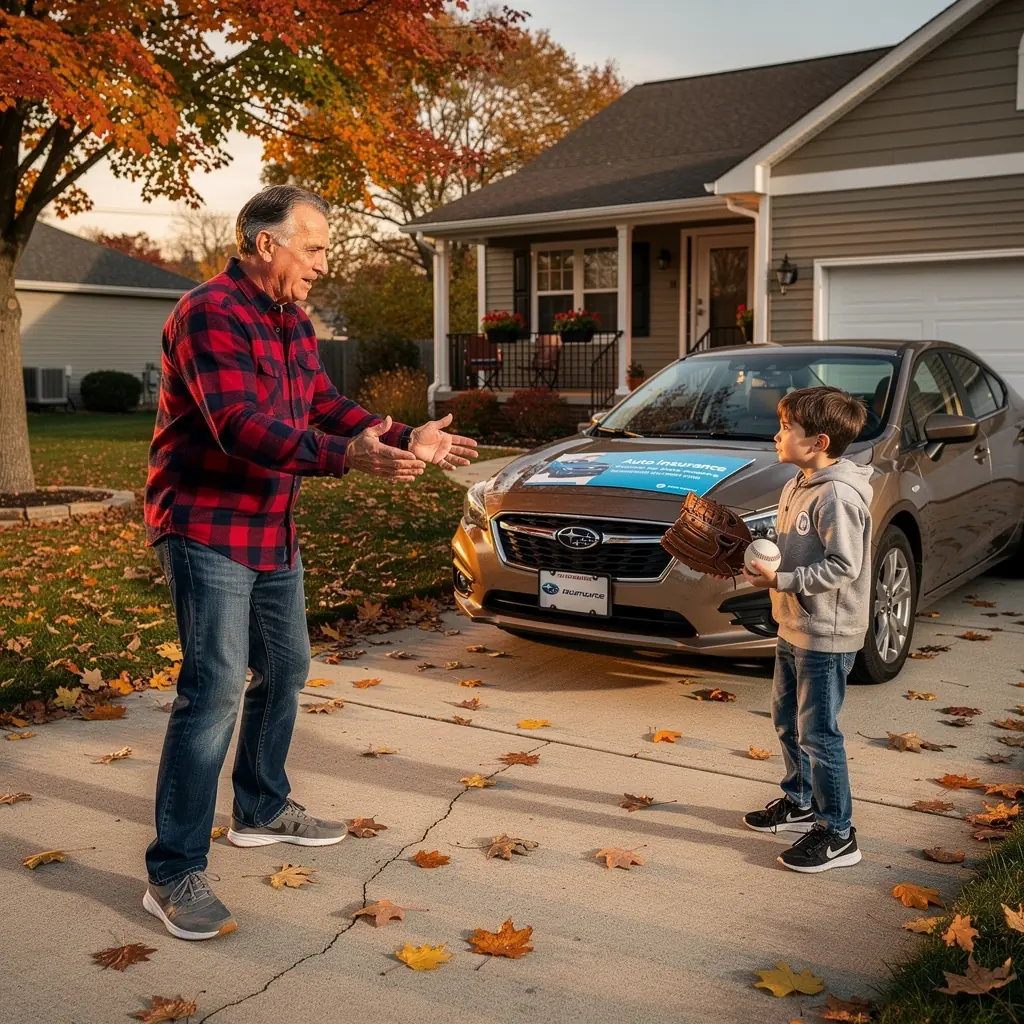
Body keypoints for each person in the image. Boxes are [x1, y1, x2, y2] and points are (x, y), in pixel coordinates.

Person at [142, 184, 477, 940]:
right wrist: (349, 459)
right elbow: (237, 425)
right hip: (205, 524)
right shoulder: (206, 313)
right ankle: (172, 871)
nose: (324, 264)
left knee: (286, 669)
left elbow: (321, 402)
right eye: (316, 247)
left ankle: (260, 808)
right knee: (215, 688)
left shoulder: (293, 320)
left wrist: (396, 431)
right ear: (267, 245)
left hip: (270, 526)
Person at [740, 385, 872, 873]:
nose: (777, 436)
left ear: (817, 441)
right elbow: (785, 550)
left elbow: (845, 565)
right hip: (793, 622)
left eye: (785, 429)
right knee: (785, 721)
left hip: (826, 633)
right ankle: (799, 801)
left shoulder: (837, 495)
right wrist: (751, 563)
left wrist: (785, 580)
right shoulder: (796, 484)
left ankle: (838, 832)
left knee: (819, 733)